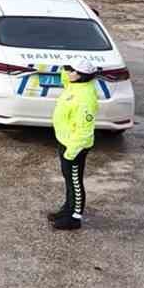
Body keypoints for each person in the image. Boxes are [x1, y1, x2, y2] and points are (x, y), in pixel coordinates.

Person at [49, 65, 100, 231]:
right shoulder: (75, 86)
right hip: (66, 140)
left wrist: (72, 151)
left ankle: (75, 217)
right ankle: (67, 209)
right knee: (68, 178)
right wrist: (66, 68)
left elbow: (85, 130)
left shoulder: (85, 98)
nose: (70, 73)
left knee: (75, 182)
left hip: (75, 146)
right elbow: (65, 79)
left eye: (73, 71)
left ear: (81, 76)